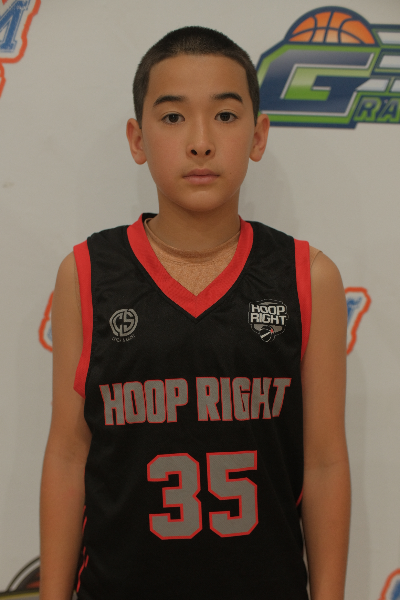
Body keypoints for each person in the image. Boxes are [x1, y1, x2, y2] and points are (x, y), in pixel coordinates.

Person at [39, 26, 350, 600]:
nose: (201, 141)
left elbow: (325, 462)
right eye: (173, 117)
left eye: (225, 116)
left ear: (258, 135)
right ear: (138, 139)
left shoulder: (308, 277)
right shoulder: (87, 272)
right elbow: (68, 452)